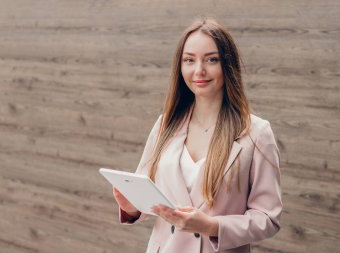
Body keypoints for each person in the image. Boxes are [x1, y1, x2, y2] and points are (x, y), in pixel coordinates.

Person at [112, 18, 282, 253]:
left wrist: (213, 226)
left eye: (211, 59)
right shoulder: (165, 124)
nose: (199, 70)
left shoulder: (256, 133)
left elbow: (268, 218)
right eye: (189, 60)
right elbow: (149, 196)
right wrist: (132, 207)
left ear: (227, 65)